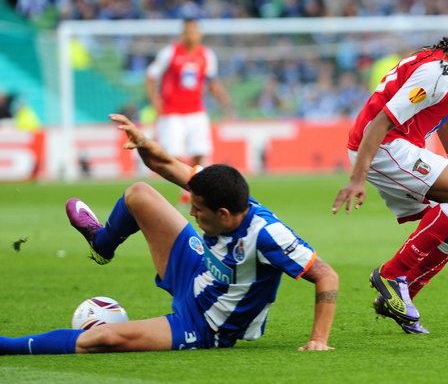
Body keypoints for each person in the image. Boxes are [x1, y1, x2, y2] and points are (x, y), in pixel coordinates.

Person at [0, 113, 338, 355]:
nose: (191, 213)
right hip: (195, 272)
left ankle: (7, 346)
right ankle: (102, 244)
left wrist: (319, 339)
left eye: (198, 210)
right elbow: (164, 164)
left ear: (223, 214)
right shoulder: (219, 190)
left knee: (104, 340)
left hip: (205, 323)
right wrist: (143, 140)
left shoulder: (268, 236)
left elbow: (326, 276)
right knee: (139, 195)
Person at [331, 17, 448, 334]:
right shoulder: (438, 73)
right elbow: (380, 123)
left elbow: (447, 112)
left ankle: (400, 299)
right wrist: (356, 178)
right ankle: (392, 275)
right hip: (380, 145)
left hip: (397, 145)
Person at [146, 18, 233, 204]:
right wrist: (155, 100)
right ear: (182, 33)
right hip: (172, 113)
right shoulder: (169, 53)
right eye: (188, 31)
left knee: (200, 152)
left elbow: (211, 81)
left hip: (196, 111)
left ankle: (191, 192)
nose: (191, 34)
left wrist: (223, 99)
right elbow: (151, 76)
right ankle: (187, 188)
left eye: (195, 31)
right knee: (174, 155)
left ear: (199, 34)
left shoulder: (207, 55)